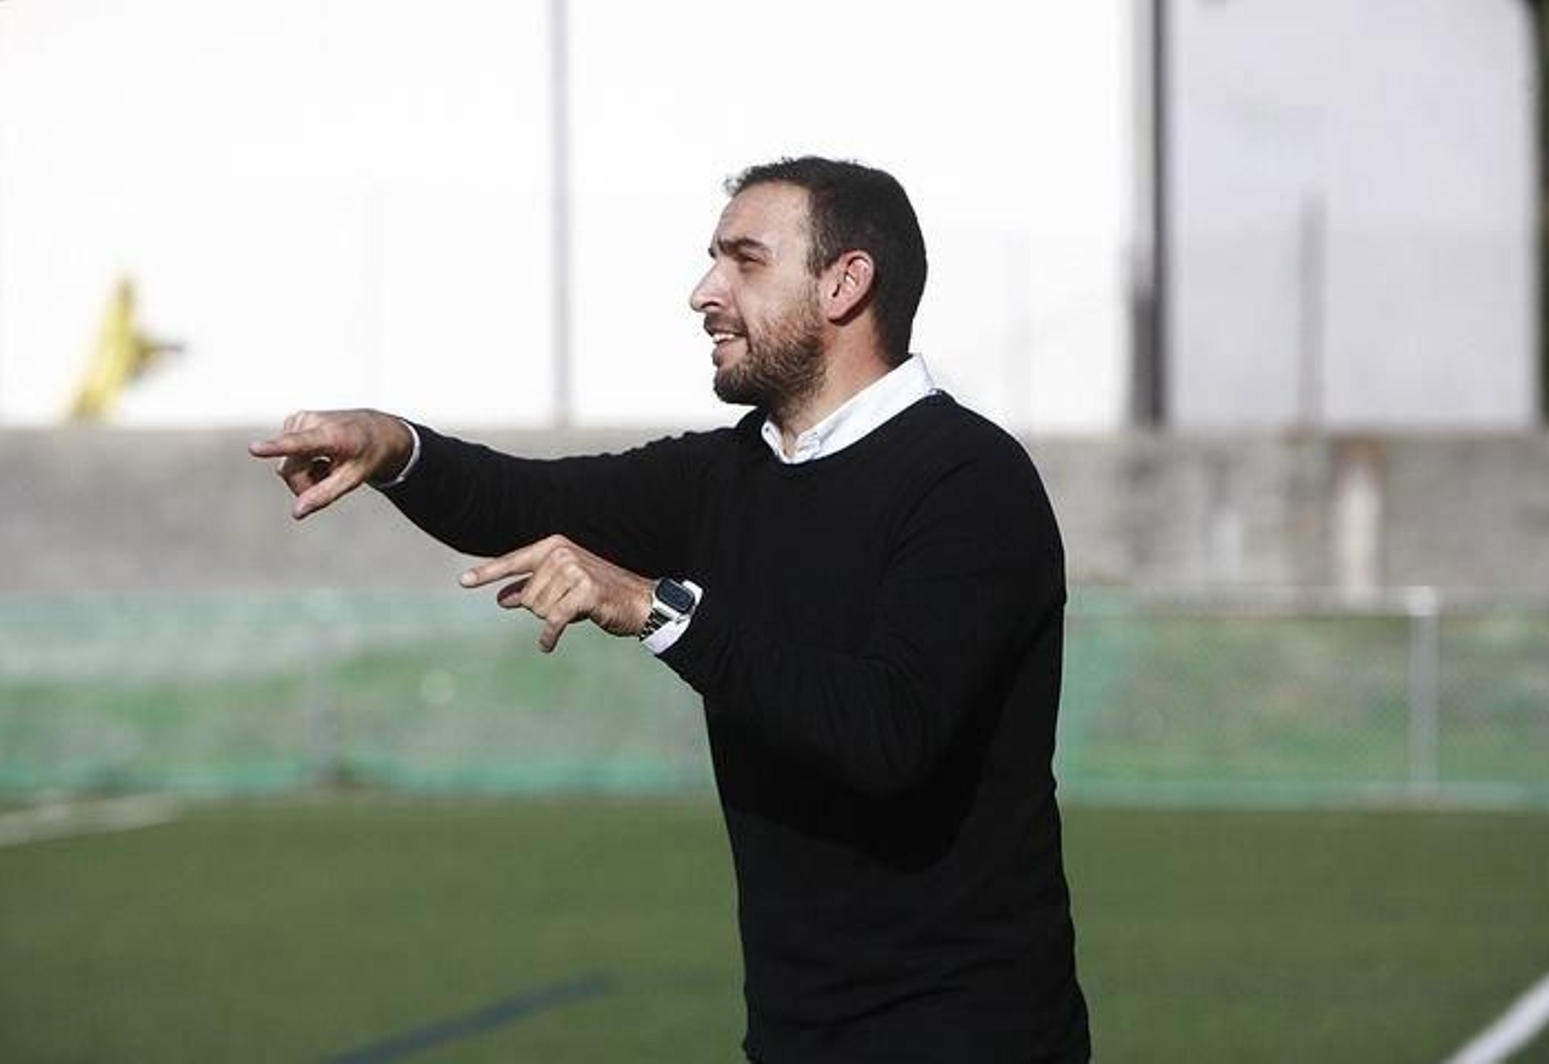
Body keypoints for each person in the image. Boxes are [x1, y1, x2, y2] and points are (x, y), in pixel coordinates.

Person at [250, 156, 1091, 1063]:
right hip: (793, 1036)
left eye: (745, 261)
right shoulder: (728, 474)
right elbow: (523, 501)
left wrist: (660, 610)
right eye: (713, 260)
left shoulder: (971, 482)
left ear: (846, 283)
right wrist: (398, 447)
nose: (705, 291)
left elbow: (887, 731)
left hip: (969, 1034)